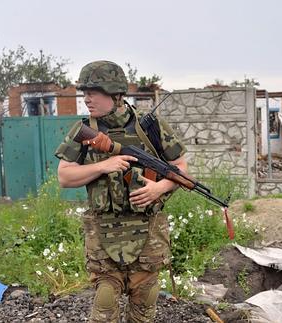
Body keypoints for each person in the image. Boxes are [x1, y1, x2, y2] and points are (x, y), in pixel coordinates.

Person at [55, 60, 187, 322]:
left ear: (115, 94)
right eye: (85, 92)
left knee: (145, 307)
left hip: (147, 230)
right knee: (104, 306)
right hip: (104, 232)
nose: (87, 98)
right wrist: (104, 166)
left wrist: (159, 188)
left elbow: (181, 168)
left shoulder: (150, 126)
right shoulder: (84, 131)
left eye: (94, 91)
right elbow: (64, 176)